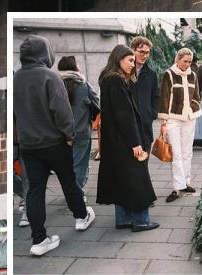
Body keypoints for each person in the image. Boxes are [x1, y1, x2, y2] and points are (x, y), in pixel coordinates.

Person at [13, 35, 96, 256]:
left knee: (34, 191)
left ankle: (39, 240)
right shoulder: (50, 76)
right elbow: (61, 110)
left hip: (29, 146)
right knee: (69, 182)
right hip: (55, 143)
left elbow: (13, 115)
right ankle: (81, 217)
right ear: (45, 53)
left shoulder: (16, 78)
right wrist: (69, 135)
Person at [96, 44, 159, 233]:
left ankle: (123, 219)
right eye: (130, 60)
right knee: (137, 179)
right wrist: (135, 143)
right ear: (119, 59)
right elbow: (124, 115)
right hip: (125, 141)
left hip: (114, 140)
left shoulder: (108, 79)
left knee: (121, 179)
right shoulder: (116, 81)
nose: (133, 64)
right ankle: (141, 221)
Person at [158, 48, 201, 203]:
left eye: (190, 61)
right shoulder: (169, 74)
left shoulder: (193, 75)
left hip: (189, 118)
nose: (187, 64)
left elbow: (197, 95)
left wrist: (193, 106)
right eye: (185, 61)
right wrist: (164, 122)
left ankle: (186, 183)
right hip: (173, 120)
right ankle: (177, 187)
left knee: (187, 152)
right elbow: (164, 98)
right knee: (176, 154)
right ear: (177, 59)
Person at [56, 55, 100, 193]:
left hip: (59, 134)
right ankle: (76, 192)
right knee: (80, 165)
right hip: (81, 132)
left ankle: (71, 190)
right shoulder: (84, 85)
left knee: (66, 165)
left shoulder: (54, 85)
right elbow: (97, 104)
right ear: (75, 67)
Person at [128, 36, 160, 159]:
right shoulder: (124, 73)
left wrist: (152, 114)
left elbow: (156, 96)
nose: (144, 55)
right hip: (129, 125)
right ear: (133, 50)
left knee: (144, 161)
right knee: (130, 163)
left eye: (147, 52)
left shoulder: (151, 74)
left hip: (145, 125)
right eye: (141, 52)